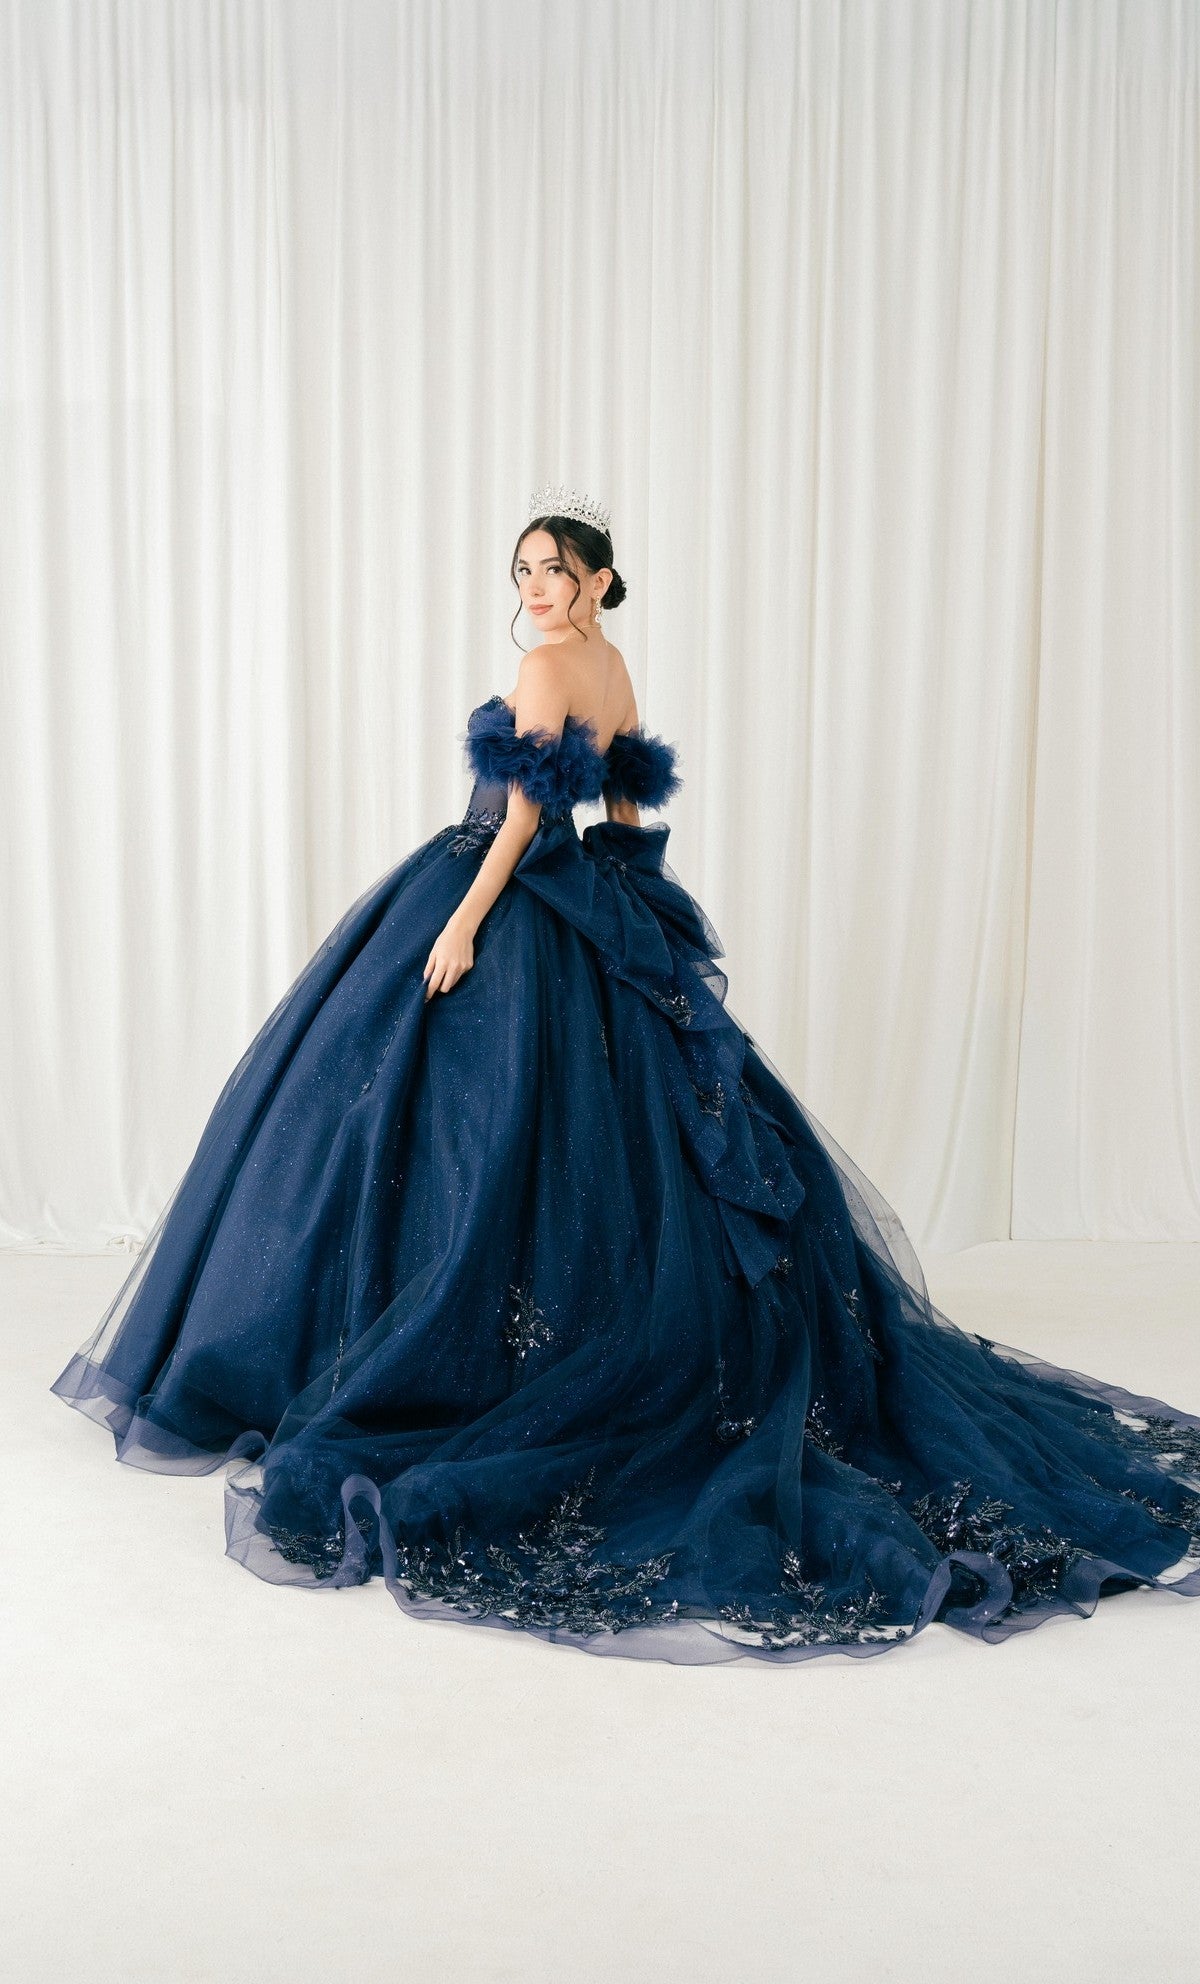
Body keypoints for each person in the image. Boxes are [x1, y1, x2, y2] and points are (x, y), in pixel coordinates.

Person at [50, 483, 1200, 1667]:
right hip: (582, 901)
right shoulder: (607, 662)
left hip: (501, 895)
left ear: (600, 576)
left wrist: (467, 922)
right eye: (522, 574)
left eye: (553, 569)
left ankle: (420, 1352)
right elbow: (627, 798)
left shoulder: (552, 668)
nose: (533, 592)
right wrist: (626, 895)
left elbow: (524, 814)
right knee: (535, 1142)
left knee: (443, 1129)